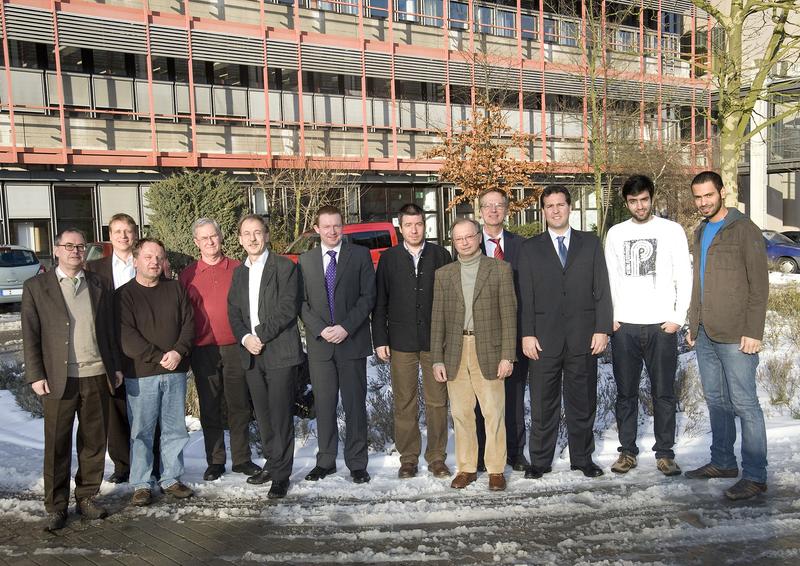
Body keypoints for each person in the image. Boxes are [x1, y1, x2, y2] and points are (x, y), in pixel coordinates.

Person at [22, 228, 123, 531]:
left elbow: (110, 330)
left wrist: (115, 367)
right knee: (57, 444)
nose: (75, 251)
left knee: (93, 442)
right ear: (56, 250)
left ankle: (86, 496)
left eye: (80, 246)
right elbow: (30, 334)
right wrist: (36, 374)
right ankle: (56, 506)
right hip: (58, 378)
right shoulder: (36, 287)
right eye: (69, 246)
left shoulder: (99, 283)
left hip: (96, 374)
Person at [684, 171, 769, 501]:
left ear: (722, 192)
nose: (703, 202)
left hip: (737, 335)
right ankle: (722, 461)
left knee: (746, 405)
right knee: (717, 401)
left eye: (709, 195)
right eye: (698, 197)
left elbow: (759, 285)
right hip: (706, 332)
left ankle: (755, 476)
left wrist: (753, 331)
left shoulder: (744, 229)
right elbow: (699, 282)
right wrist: (693, 324)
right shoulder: (701, 230)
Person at [519, 185, 612, 479]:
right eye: (550, 206)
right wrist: (527, 334)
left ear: (570, 207)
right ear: (543, 211)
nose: (555, 210)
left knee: (582, 403)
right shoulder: (530, 248)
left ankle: (583, 459)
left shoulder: (590, 244)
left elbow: (602, 289)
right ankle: (540, 461)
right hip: (543, 340)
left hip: (583, 337)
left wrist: (602, 329)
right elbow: (525, 296)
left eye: (560, 204)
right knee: (542, 404)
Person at [604, 175, 691, 476]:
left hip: (661, 326)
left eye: (644, 200)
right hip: (624, 326)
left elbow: (685, 274)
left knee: (663, 393)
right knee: (625, 394)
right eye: (633, 201)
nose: (639, 206)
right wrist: (610, 316)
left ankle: (665, 454)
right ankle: (627, 452)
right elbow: (609, 277)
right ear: (626, 202)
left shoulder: (671, 230)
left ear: (652, 198)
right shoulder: (616, 233)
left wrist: (678, 317)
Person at [430, 218, 517, 491]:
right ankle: (466, 468)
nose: (464, 242)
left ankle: (495, 470)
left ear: (479, 237)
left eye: (469, 236)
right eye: (459, 238)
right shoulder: (444, 274)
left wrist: (507, 355)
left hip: (489, 349)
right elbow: (438, 320)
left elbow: (509, 315)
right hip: (456, 351)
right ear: (453, 242)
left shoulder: (499, 269)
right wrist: (437, 358)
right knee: (461, 413)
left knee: (493, 412)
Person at [372, 203, 452, 479]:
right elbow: (380, 301)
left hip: (434, 341)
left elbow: (451, 300)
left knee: (437, 402)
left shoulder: (441, 255)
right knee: (404, 402)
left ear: (424, 225)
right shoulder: (389, 258)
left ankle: (437, 457)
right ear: (400, 227)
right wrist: (380, 339)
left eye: (418, 224)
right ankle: (408, 458)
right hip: (400, 341)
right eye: (408, 225)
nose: (414, 230)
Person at [228, 214, 304, 498]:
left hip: (279, 352)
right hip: (251, 354)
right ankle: (272, 463)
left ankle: (282, 475)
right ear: (240, 239)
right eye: (246, 234)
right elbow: (233, 312)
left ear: (267, 235)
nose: (252, 238)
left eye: (257, 232)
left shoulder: (284, 267)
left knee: (281, 415)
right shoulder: (239, 273)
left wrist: (258, 335)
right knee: (263, 416)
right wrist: (245, 338)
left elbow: (287, 308)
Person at [298, 205, 376, 484]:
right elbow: (301, 303)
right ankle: (326, 461)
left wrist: (345, 327)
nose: (332, 231)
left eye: (336, 226)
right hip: (321, 345)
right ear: (316, 229)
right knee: (324, 405)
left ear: (343, 227)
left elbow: (368, 296)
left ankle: (357, 463)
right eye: (326, 226)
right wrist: (321, 329)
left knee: (355, 405)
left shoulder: (360, 255)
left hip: (351, 341)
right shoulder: (305, 261)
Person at [179, 218, 260, 482]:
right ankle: (215, 461)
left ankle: (242, 459)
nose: (210, 241)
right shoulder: (188, 275)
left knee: (239, 405)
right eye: (204, 238)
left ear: (221, 236)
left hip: (236, 346)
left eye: (213, 236)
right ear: (196, 242)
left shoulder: (238, 268)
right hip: (203, 350)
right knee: (210, 406)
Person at [116, 238, 195, 506]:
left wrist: (178, 352)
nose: (154, 262)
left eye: (159, 257)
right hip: (141, 374)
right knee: (142, 432)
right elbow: (127, 336)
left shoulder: (176, 288)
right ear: (135, 260)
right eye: (148, 257)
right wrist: (159, 356)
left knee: (175, 429)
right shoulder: (123, 295)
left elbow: (189, 324)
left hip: (175, 370)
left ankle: (171, 478)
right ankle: (141, 483)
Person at [476, 189, 530, 473]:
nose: (493, 210)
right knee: (481, 398)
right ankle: (482, 452)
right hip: (481, 334)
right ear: (480, 211)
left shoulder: (522, 246)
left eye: (499, 205)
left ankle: (516, 452)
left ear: (507, 210)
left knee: (514, 396)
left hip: (514, 332)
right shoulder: (469, 244)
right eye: (488, 205)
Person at [85, 213, 139, 484]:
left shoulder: (146, 261)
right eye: (118, 231)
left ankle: (148, 462)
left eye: (128, 230)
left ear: (135, 234)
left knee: (144, 406)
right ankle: (122, 465)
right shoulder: (94, 269)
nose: (123, 236)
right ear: (109, 236)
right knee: (115, 406)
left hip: (141, 344)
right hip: (110, 344)